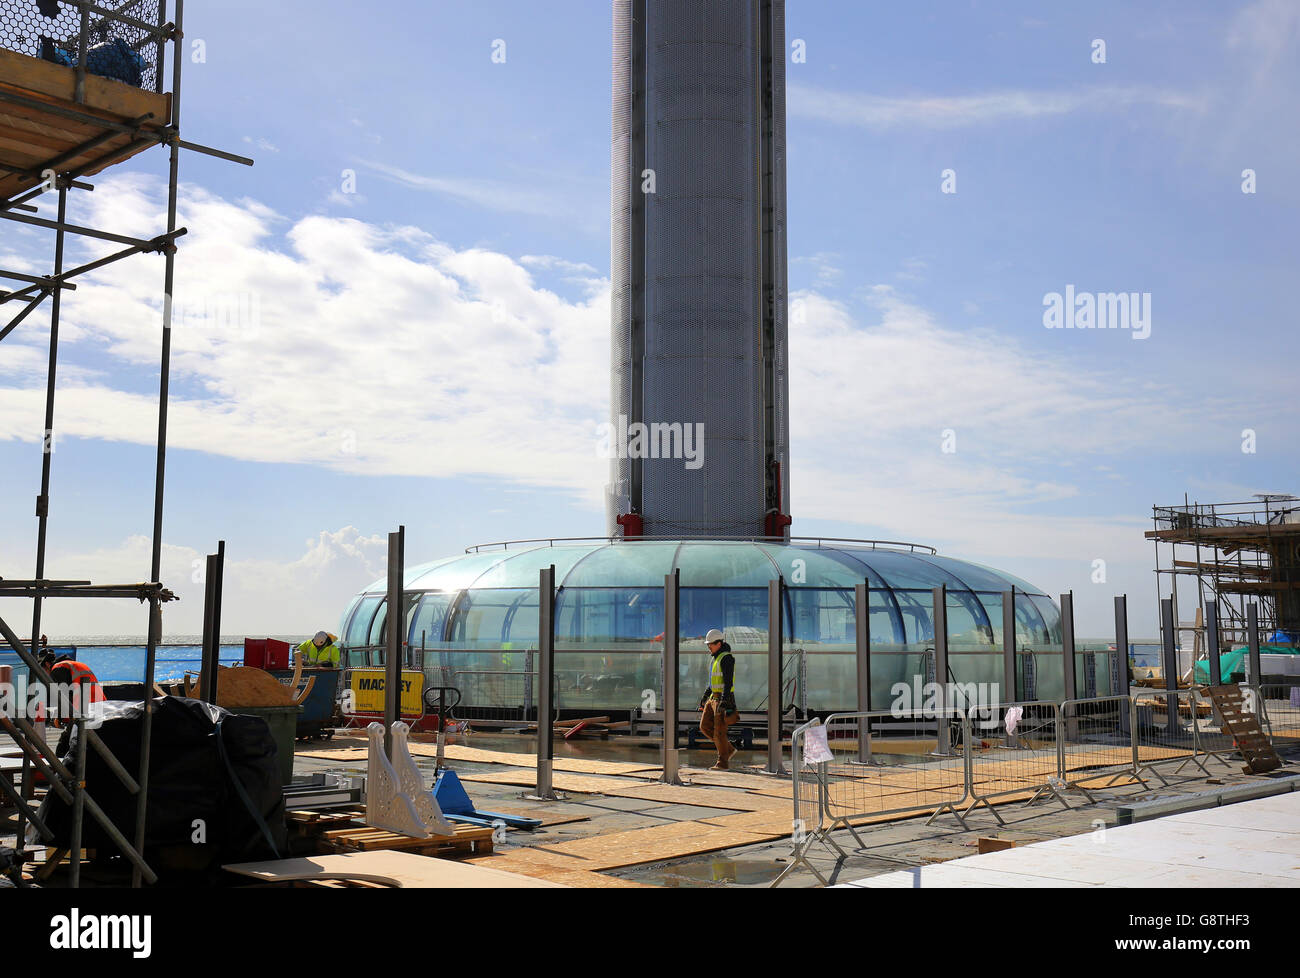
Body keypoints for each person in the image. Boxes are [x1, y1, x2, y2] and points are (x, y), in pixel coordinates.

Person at [698, 628, 739, 770]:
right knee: (704, 727)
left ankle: (723, 763)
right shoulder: (716, 658)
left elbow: (728, 682)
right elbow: (713, 682)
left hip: (722, 698)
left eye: (711, 644)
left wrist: (725, 700)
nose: (708, 646)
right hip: (712, 698)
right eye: (707, 644)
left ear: (719, 644)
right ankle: (728, 749)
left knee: (719, 732)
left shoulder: (726, 658)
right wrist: (704, 697)